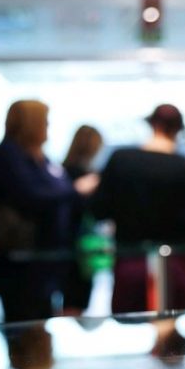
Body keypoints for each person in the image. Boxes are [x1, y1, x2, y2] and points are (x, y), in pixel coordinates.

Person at [0, 100, 97, 322]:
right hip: (22, 259)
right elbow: (30, 196)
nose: (47, 127)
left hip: (45, 258)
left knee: (41, 320)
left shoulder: (38, 157)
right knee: (26, 323)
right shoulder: (9, 155)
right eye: (44, 122)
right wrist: (75, 190)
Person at [90, 104, 185, 313]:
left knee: (130, 331)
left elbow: (100, 209)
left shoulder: (121, 159)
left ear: (153, 125)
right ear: (178, 129)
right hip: (176, 266)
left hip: (130, 262)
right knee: (173, 334)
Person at [61, 125, 104, 315]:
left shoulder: (61, 171)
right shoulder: (81, 176)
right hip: (76, 245)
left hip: (70, 242)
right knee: (75, 298)